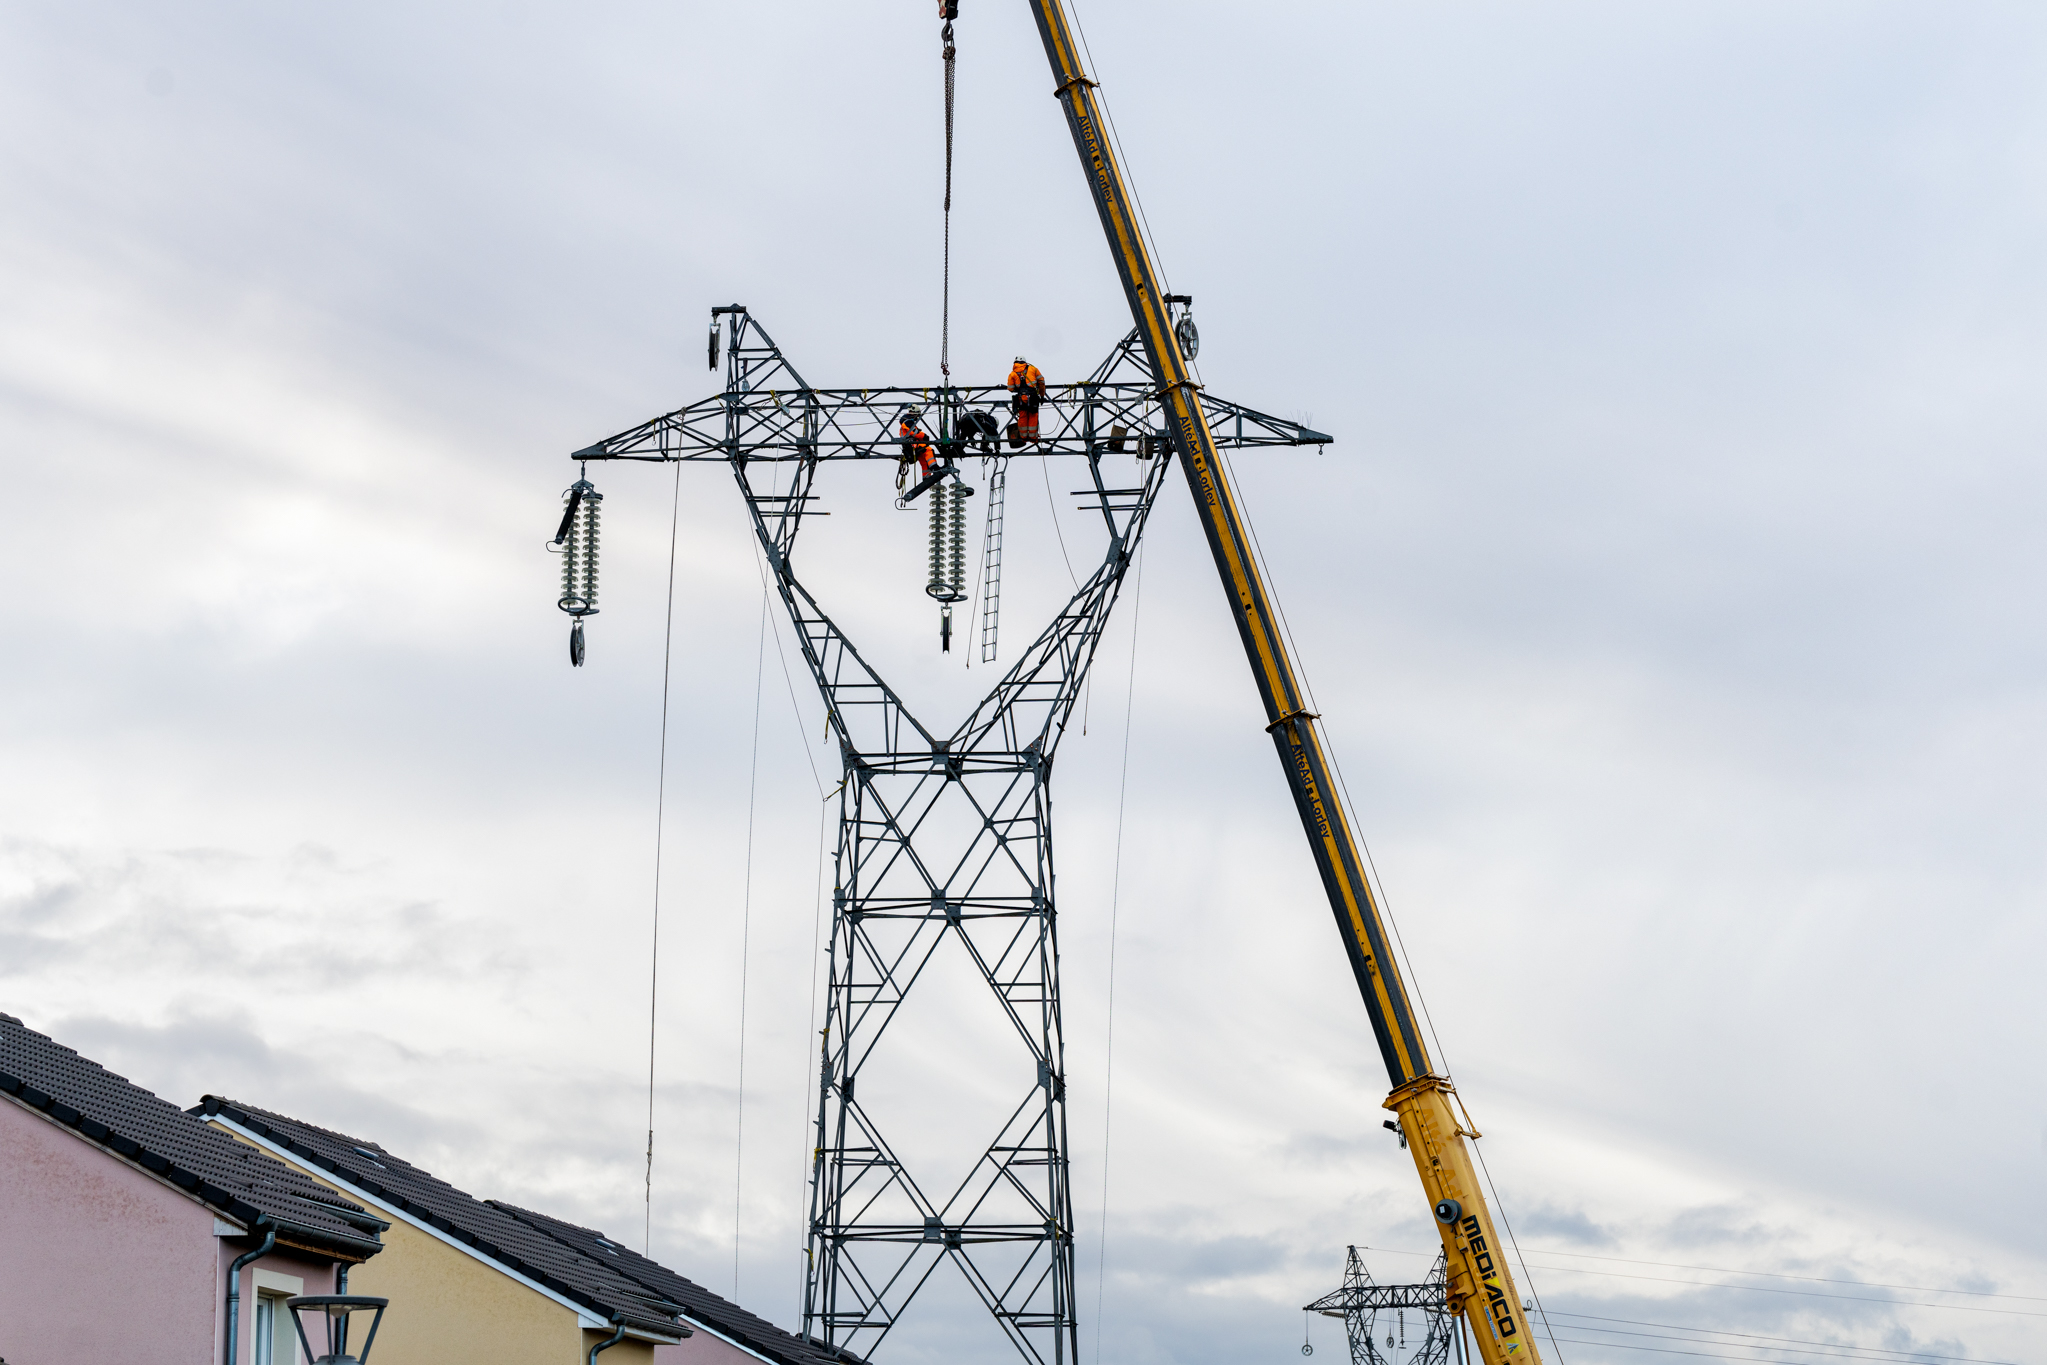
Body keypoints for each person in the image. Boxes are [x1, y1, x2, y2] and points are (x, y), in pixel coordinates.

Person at [1007, 356, 1047, 446]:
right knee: (1033, 416)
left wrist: (1017, 389)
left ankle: (1024, 437)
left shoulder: (1013, 373)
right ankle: (1033, 437)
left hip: (1021, 399)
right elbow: (1041, 381)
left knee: (1023, 418)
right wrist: (1042, 395)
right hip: (1033, 398)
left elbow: (1010, 388)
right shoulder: (1033, 369)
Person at [897, 406, 936, 491]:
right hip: (911, 445)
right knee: (928, 450)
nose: (917, 417)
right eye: (917, 415)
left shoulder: (907, 422)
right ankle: (934, 466)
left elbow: (913, 433)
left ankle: (926, 477)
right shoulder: (907, 421)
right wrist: (923, 435)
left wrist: (923, 438)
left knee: (924, 460)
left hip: (911, 446)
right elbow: (912, 432)